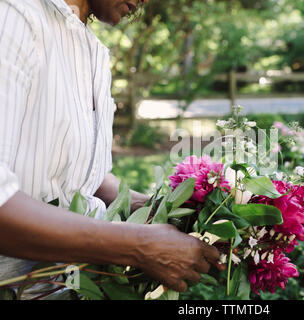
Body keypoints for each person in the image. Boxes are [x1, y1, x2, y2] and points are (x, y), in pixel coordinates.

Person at [0, 0, 220, 299]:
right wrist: (138, 245)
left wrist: (155, 209)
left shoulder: (92, 50)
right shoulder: (14, 17)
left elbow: (83, 176)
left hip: (75, 284)